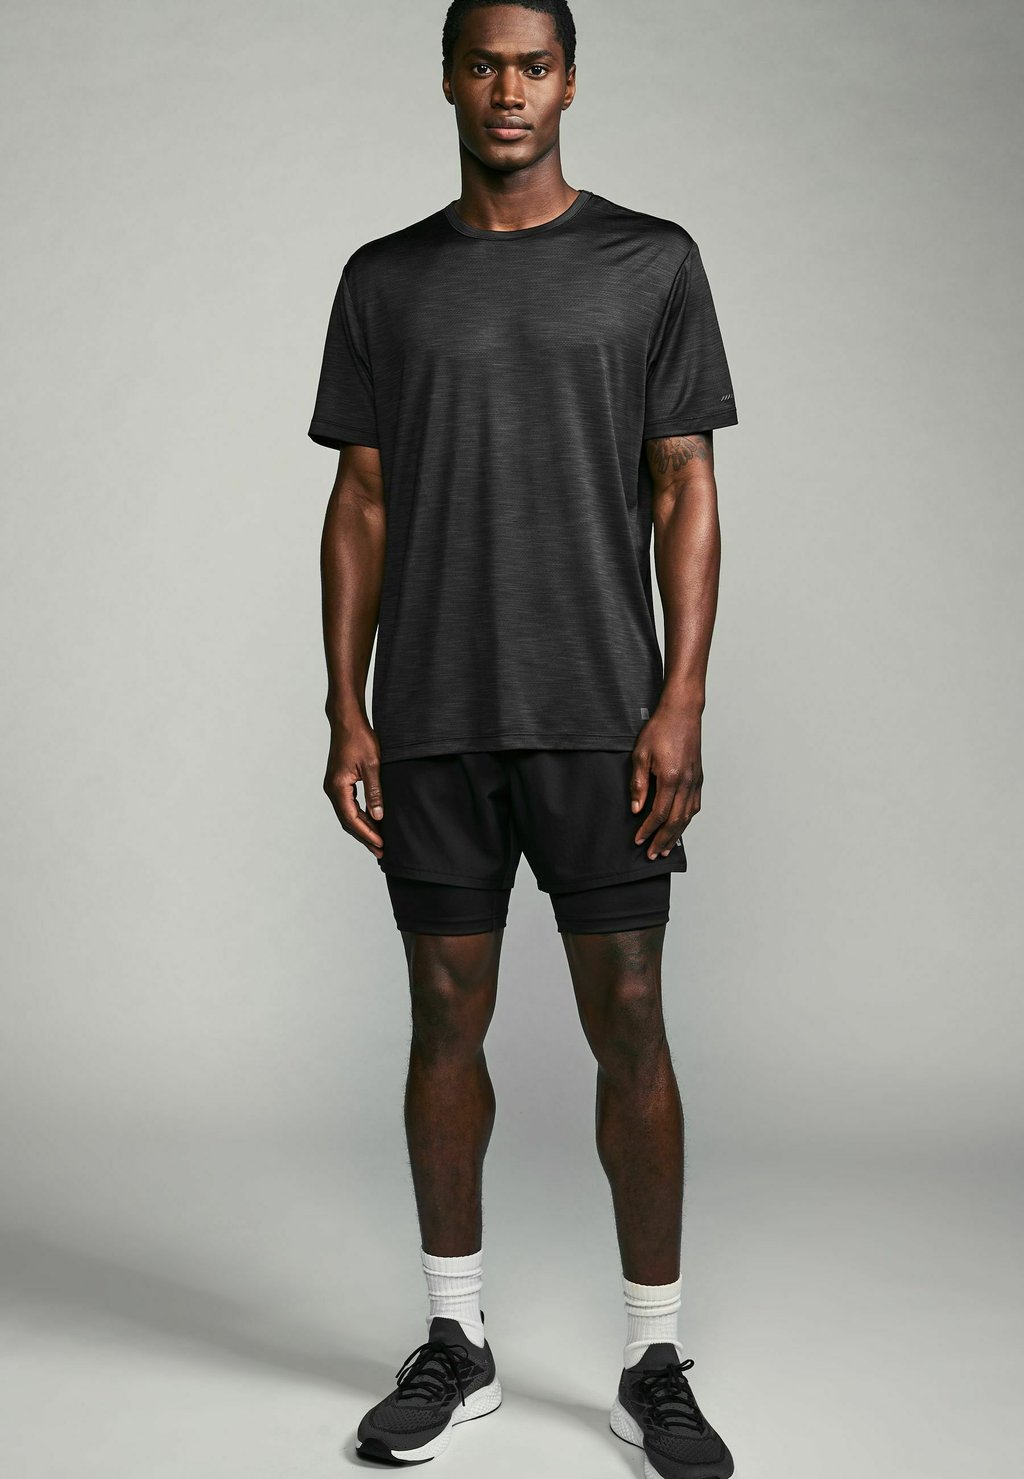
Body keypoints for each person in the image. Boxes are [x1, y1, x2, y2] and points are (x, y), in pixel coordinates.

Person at [307, 2, 738, 1474]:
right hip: (433, 713)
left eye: (534, 66)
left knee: (631, 1015)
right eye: (485, 65)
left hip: (599, 712)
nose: (510, 91)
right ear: (448, 79)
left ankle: (654, 1360)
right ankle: (457, 1341)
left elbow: (684, 482)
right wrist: (346, 705)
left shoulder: (650, 262)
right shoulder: (384, 279)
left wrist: (680, 699)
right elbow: (361, 499)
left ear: (569, 83)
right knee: (444, 1017)